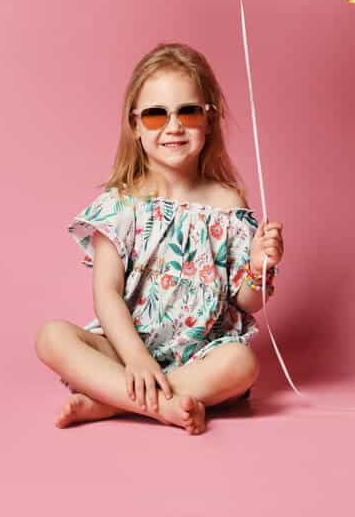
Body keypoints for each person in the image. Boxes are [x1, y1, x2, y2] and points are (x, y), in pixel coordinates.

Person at [35, 42, 285, 436]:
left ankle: (108, 403)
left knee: (242, 363)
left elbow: (246, 301)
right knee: (51, 337)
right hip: (126, 349)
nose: (173, 127)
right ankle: (159, 404)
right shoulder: (119, 204)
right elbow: (107, 294)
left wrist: (258, 267)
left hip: (200, 355)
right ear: (135, 126)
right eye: (155, 115)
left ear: (209, 119)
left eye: (187, 111)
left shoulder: (226, 201)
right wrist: (136, 359)